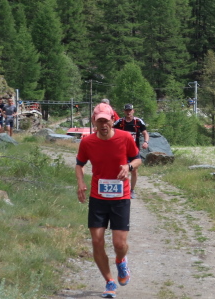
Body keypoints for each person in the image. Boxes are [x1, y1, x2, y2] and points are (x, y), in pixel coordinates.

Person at [76, 102, 141, 298]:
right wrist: (81, 183)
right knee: (97, 241)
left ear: (113, 120)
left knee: (119, 244)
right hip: (98, 197)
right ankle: (109, 281)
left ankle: (121, 261)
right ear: (94, 122)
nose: (103, 125)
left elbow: (138, 159)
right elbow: (79, 164)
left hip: (121, 197)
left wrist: (128, 167)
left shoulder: (125, 137)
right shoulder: (87, 142)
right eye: (99, 121)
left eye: (106, 121)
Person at [114, 104, 149, 197]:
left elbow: (145, 133)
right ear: (124, 111)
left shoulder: (138, 121)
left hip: (134, 150)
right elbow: (112, 131)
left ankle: (132, 190)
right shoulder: (120, 122)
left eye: (130, 110)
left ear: (133, 111)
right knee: (121, 169)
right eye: (127, 111)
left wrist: (146, 142)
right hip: (122, 150)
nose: (128, 112)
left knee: (134, 170)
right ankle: (120, 188)